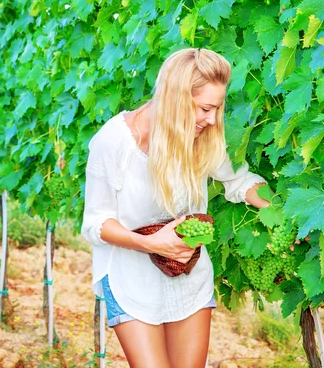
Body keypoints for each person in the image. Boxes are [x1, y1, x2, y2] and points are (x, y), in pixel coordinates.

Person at [81, 48, 271, 368]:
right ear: (176, 98)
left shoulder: (201, 136)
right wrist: (150, 243)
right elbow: (95, 223)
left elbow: (239, 181)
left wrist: (281, 215)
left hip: (189, 276)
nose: (212, 119)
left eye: (217, 109)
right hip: (131, 277)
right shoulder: (114, 142)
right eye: (205, 108)